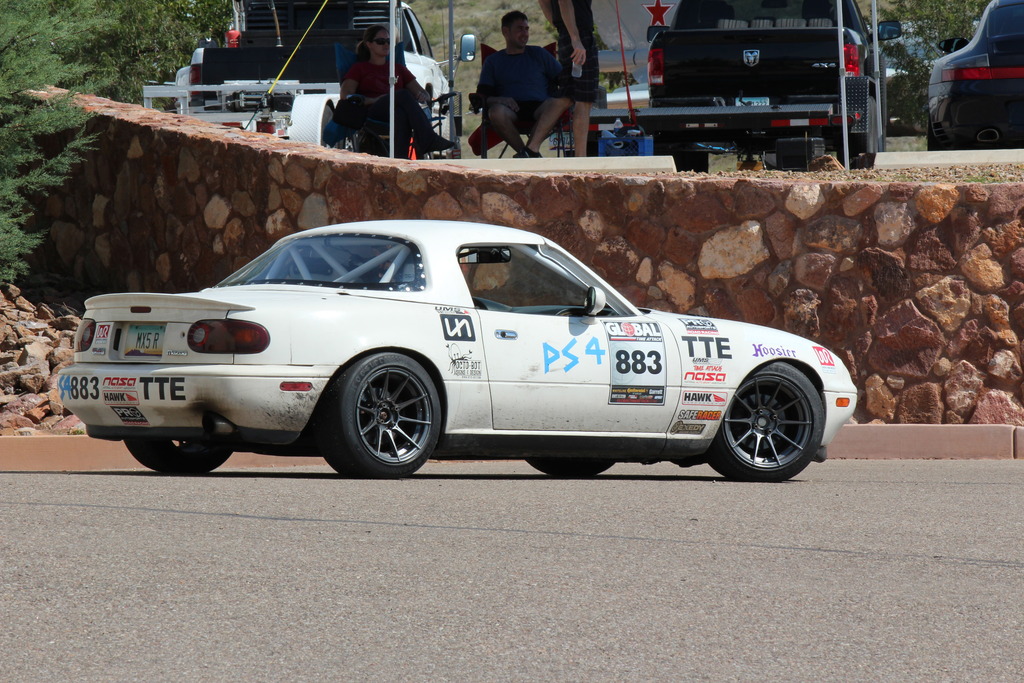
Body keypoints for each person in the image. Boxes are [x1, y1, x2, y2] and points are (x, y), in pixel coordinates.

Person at [340, 24, 454, 159]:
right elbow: (346, 96)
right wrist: (374, 100)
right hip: (373, 111)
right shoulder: (359, 68)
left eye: (388, 41)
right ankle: (428, 139)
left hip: (395, 112)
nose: (386, 45)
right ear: (369, 44)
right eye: (380, 41)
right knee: (402, 94)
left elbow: (424, 93)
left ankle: (400, 159)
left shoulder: (398, 68)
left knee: (401, 112)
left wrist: (422, 96)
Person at [476, 11, 570, 158]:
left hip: (541, 107)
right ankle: (527, 153)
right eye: (520, 29)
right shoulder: (493, 61)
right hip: (510, 110)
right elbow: (482, 97)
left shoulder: (539, 54)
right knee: (495, 112)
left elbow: (565, 81)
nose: (525, 34)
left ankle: (528, 152)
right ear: (506, 31)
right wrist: (500, 99)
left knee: (562, 100)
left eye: (527, 29)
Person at [538, 0, 597, 156]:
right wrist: (575, 38)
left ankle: (531, 147)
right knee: (584, 99)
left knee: (567, 95)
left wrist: (560, 26)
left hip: (569, 33)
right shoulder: (577, 35)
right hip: (578, 36)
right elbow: (564, 2)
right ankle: (580, 158)